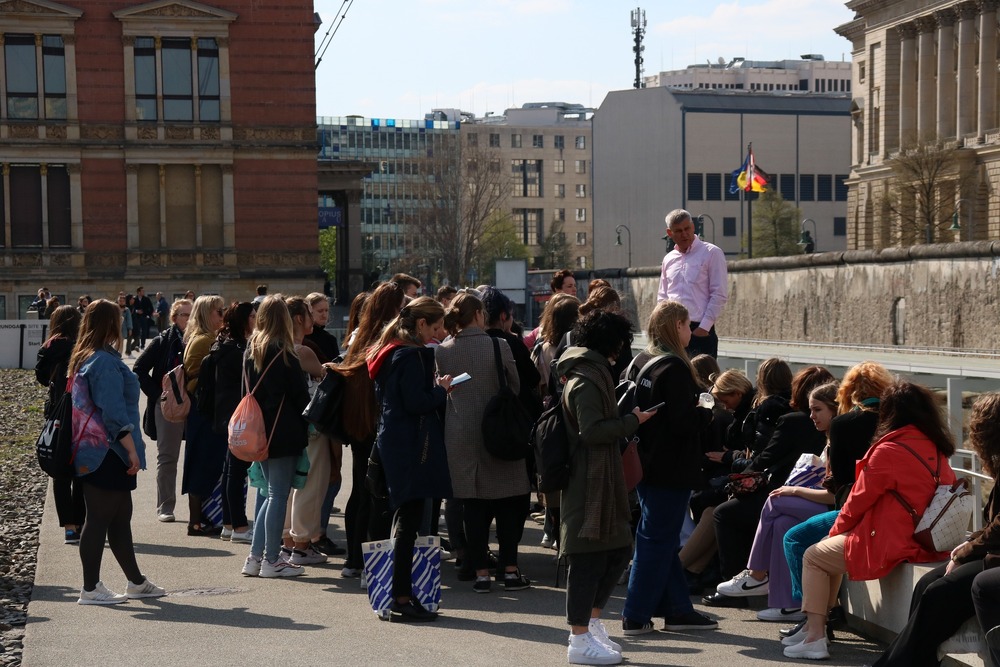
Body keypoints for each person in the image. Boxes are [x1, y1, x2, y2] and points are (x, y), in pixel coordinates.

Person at [785, 380, 958, 661]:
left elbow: (857, 502)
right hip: (924, 538)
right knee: (828, 555)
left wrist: (834, 531)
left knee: (814, 555)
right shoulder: (938, 450)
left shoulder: (888, 450)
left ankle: (815, 635)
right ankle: (815, 629)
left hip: (890, 540)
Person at [870, 391, 1000, 667]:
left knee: (937, 593)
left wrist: (965, 551)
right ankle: (915, 661)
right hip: (991, 551)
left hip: (995, 556)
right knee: (926, 584)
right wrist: (965, 550)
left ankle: (895, 664)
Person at [558, 309, 657, 665]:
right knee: (586, 559)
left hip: (601, 478)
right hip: (587, 480)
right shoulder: (585, 379)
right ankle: (579, 639)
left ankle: (592, 624)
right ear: (611, 343)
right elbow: (592, 431)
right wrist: (633, 420)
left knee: (616, 549)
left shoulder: (593, 373)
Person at [620, 300, 718, 636]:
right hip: (671, 466)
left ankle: (678, 610)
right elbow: (683, 422)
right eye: (688, 324)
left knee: (657, 536)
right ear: (675, 326)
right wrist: (706, 411)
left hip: (645, 461)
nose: (691, 330)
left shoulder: (641, 360)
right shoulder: (674, 368)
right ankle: (635, 614)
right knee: (656, 540)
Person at [779, 360, 892, 640]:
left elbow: (841, 483)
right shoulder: (893, 420)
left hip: (858, 510)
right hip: (893, 510)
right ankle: (822, 616)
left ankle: (810, 619)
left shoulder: (845, 423)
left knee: (794, 539)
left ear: (848, 391)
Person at [704, 365, 832, 607]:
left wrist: (735, 462)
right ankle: (785, 601)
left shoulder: (792, 421)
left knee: (726, 513)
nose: (814, 416)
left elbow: (766, 458)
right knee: (781, 522)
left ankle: (752, 577)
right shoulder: (829, 428)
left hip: (800, 494)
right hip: (816, 498)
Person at [69, 299, 164, 604]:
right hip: (107, 452)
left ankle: (135, 582)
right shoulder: (104, 362)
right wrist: (132, 451)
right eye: (119, 318)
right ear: (110, 323)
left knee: (120, 518)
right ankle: (90, 588)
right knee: (99, 519)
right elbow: (113, 414)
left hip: (97, 451)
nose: (123, 323)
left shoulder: (89, 356)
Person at [436, 292, 531, 594]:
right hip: (498, 430)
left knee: (472, 505)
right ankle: (511, 570)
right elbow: (514, 385)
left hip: (461, 432)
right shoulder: (498, 344)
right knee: (507, 502)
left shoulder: (443, 350)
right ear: (478, 314)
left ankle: (480, 573)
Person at [366, 296, 453, 621]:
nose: (441, 331)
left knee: (403, 517)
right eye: (437, 325)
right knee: (408, 522)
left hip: (393, 441)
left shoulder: (388, 351)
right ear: (421, 325)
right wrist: (442, 390)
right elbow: (417, 402)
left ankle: (397, 593)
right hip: (414, 446)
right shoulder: (416, 355)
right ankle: (401, 596)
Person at [240, 296, 312, 578]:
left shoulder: (251, 349)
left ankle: (256, 557)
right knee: (277, 496)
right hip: (284, 431)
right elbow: (300, 396)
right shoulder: (284, 352)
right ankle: (271, 559)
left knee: (269, 495)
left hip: (258, 430)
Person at [339, 282, 405, 577]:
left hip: (358, 422)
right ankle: (372, 562)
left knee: (359, 490)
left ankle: (353, 560)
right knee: (378, 493)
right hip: (379, 421)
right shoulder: (389, 339)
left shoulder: (359, 336)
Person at [281, 296, 333, 565]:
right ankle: (302, 542)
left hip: (286, 426)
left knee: (289, 485)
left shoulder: (274, 345)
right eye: (310, 315)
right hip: (311, 425)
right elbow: (325, 375)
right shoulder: (303, 350)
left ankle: (288, 541)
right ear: (300, 319)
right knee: (310, 483)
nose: (314, 319)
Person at [133, 298, 192, 522]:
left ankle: (202, 507)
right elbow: (138, 369)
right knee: (168, 457)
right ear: (174, 318)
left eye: (192, 314)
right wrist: (159, 396)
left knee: (198, 455)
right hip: (168, 406)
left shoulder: (201, 339)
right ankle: (165, 506)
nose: (190, 318)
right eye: (185, 314)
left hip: (195, 404)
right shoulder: (163, 341)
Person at [35, 305, 85, 544]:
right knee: (81, 469)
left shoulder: (48, 348)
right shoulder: (82, 347)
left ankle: (68, 526)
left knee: (60, 470)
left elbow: (42, 378)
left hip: (56, 414)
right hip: (80, 414)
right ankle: (82, 521)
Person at [181, 294, 227, 536]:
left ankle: (201, 519)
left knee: (203, 462)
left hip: (203, 410)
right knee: (202, 464)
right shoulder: (205, 340)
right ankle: (196, 521)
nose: (223, 316)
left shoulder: (202, 338)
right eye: (220, 311)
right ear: (208, 314)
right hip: (204, 410)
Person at [211, 302, 256, 543]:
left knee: (231, 470)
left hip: (227, 414)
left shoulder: (225, 345)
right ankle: (238, 526)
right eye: (251, 316)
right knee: (236, 472)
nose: (255, 318)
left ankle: (229, 524)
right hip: (237, 415)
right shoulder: (237, 350)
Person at [657, 208, 728, 358]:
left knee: (703, 380)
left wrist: (703, 328)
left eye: (687, 228)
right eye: (678, 231)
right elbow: (663, 297)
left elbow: (719, 294)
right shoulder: (668, 259)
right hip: (672, 331)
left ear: (693, 227)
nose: (684, 234)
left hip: (699, 329)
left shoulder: (712, 253)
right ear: (670, 233)